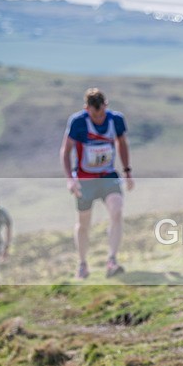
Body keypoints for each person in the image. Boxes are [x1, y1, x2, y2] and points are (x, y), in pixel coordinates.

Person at [60, 88, 134, 279]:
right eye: (95, 114)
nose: (99, 118)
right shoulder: (77, 122)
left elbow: (122, 144)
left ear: (106, 105)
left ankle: (112, 260)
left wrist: (127, 171)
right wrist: (70, 179)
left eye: (101, 113)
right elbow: (65, 152)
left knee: (117, 211)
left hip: (108, 176)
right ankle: (82, 264)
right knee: (84, 224)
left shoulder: (116, 120)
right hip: (85, 180)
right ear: (87, 109)